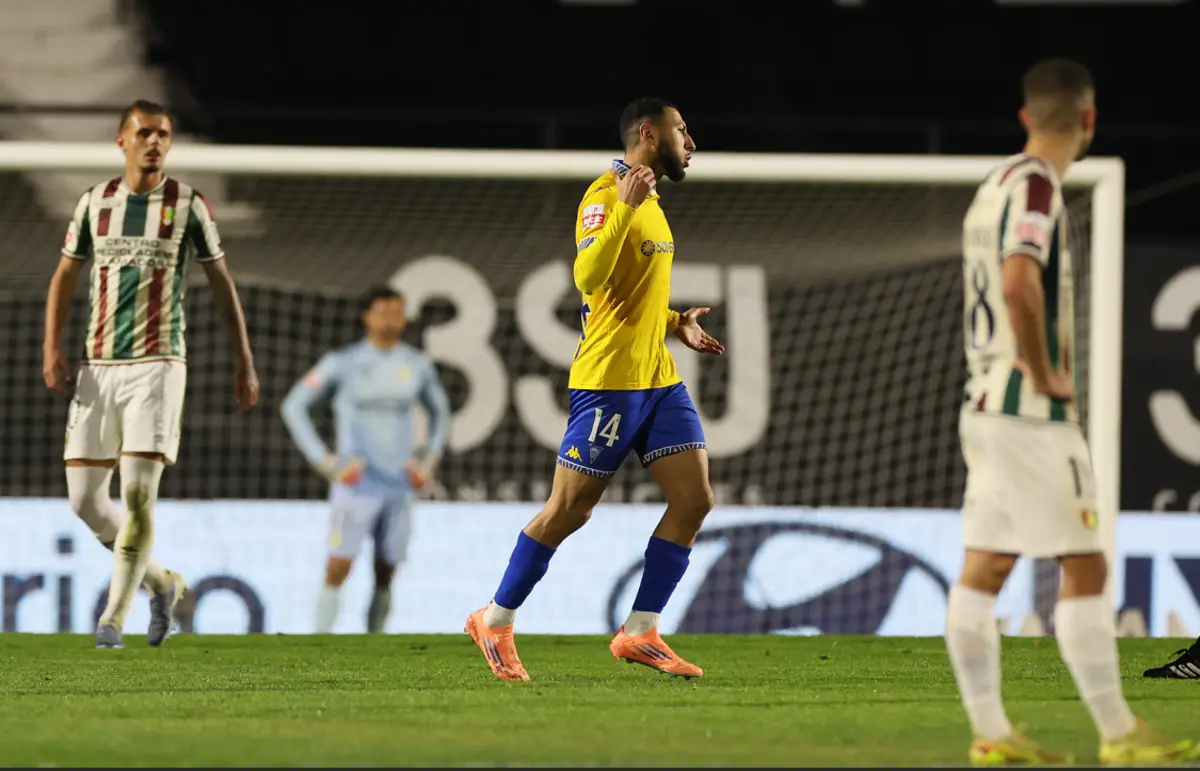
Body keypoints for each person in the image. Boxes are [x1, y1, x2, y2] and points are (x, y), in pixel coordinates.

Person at [952, 59, 1196, 766]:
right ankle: (1119, 731)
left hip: (983, 405)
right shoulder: (1034, 185)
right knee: (1086, 566)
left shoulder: (990, 186)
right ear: (1089, 119)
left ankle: (992, 732)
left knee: (985, 569)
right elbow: (1020, 278)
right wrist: (1041, 366)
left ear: (1025, 116)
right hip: (1028, 412)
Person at [464, 98, 724, 681]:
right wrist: (626, 210)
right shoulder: (608, 195)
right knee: (569, 510)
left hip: (657, 380)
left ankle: (640, 631)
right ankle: (495, 618)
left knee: (695, 500)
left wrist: (674, 322)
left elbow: (624, 301)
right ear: (648, 133)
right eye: (682, 130)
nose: (691, 141)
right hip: (609, 384)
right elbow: (585, 277)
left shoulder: (650, 203)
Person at [42, 99, 259, 649]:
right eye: (144, 133)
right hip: (98, 367)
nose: (154, 142)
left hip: (159, 367)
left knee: (139, 497)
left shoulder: (187, 204)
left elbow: (222, 284)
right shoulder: (96, 203)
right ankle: (161, 584)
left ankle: (112, 620)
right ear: (122, 141)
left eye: (162, 134)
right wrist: (51, 345)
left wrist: (244, 359)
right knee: (85, 501)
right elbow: (65, 274)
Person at [281, 286, 450, 634]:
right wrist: (326, 462)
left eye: (398, 312)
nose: (391, 319)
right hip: (356, 485)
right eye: (383, 311)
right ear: (367, 317)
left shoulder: (416, 365)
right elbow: (294, 406)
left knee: (387, 568)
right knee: (339, 564)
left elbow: (441, 413)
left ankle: (376, 641)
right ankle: (319, 642)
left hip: (399, 485)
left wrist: (428, 462)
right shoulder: (342, 362)